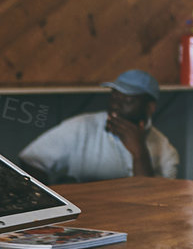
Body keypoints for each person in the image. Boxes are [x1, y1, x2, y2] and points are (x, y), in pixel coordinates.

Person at [19, 69, 178, 183]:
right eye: (114, 96)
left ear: (150, 108)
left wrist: (139, 153)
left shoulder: (166, 152)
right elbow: (30, 160)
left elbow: (152, 203)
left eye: (127, 100)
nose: (116, 105)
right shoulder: (81, 127)